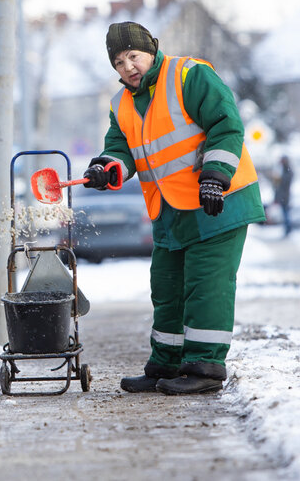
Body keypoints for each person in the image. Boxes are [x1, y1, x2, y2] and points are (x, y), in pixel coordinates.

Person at [83, 21, 266, 395]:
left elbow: (226, 125)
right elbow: (121, 150)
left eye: (132, 56)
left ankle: (205, 367)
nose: (127, 67)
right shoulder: (121, 104)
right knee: (166, 288)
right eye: (118, 62)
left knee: (206, 284)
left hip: (218, 201)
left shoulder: (189, 75)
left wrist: (215, 175)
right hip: (169, 211)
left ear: (151, 49)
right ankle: (165, 365)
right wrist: (107, 168)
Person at [273, 155, 293, 236]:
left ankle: (288, 229)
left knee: (286, 213)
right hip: (284, 196)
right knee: (285, 213)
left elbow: (282, 184)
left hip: (284, 197)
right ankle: (287, 229)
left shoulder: (287, 171)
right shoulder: (283, 170)